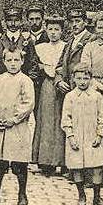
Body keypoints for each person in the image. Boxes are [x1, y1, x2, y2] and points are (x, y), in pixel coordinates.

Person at [0, 46, 36, 205]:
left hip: (17, 127)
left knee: (19, 163)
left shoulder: (25, 80)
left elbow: (28, 103)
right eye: (9, 60)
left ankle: (22, 194)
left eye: (16, 60)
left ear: (22, 61)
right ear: (4, 62)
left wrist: (14, 119)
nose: (13, 64)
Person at [61, 63, 103, 205]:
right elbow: (65, 118)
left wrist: (100, 135)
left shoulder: (96, 96)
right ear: (73, 79)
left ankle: (97, 197)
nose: (82, 81)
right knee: (77, 166)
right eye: (79, 78)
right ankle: (81, 195)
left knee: (97, 167)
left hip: (92, 136)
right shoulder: (70, 96)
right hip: (76, 138)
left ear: (91, 79)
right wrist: (70, 136)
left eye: (86, 78)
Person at [32, 14, 67, 176]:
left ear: (62, 31)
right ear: (46, 29)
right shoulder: (40, 47)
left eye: (57, 30)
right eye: (50, 29)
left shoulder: (66, 46)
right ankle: (46, 161)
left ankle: (62, 160)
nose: (53, 33)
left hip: (62, 85)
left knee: (61, 120)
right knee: (46, 120)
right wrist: (42, 67)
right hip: (47, 85)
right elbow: (34, 65)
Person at [0, 7, 40, 83]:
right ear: (4, 22)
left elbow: (33, 64)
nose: (13, 24)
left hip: (23, 83)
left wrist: (29, 82)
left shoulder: (27, 40)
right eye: (9, 21)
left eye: (16, 20)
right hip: (3, 83)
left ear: (21, 21)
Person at [57, 9, 92, 77]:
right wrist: (59, 81)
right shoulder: (68, 41)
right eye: (71, 22)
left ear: (85, 22)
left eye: (77, 21)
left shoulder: (92, 39)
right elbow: (60, 66)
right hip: (67, 85)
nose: (74, 25)